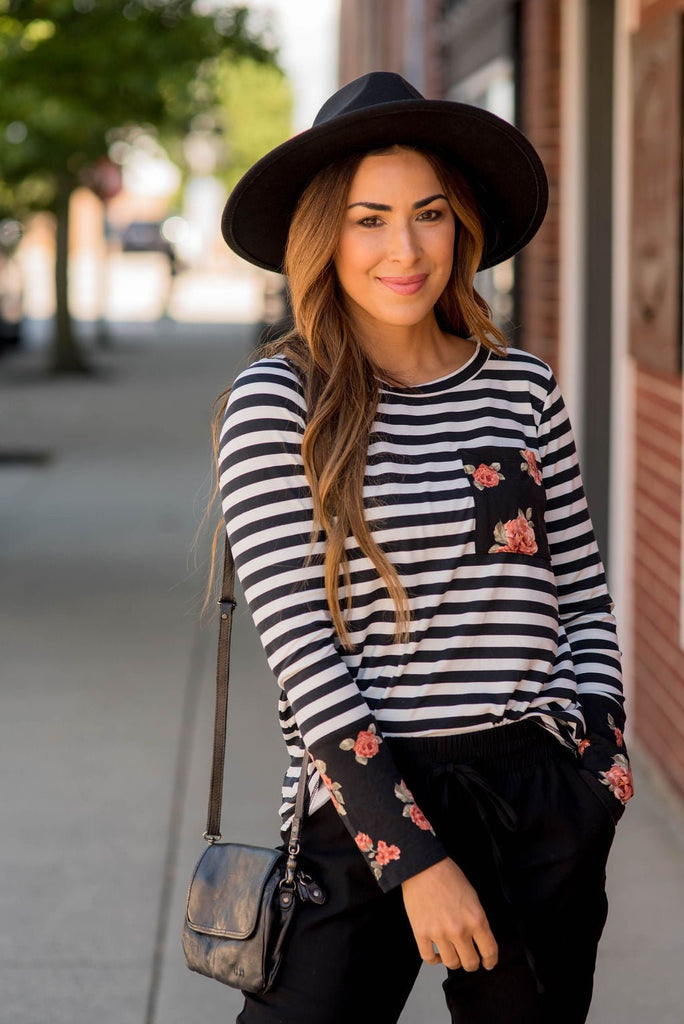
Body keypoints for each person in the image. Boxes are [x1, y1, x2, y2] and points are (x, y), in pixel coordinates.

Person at [212, 72, 633, 1024]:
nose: (404, 249)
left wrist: (599, 767)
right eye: (369, 219)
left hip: (539, 796)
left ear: (461, 228)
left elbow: (581, 593)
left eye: (429, 214)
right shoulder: (279, 404)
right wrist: (414, 856)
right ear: (324, 236)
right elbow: (303, 658)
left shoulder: (522, 389)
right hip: (361, 802)